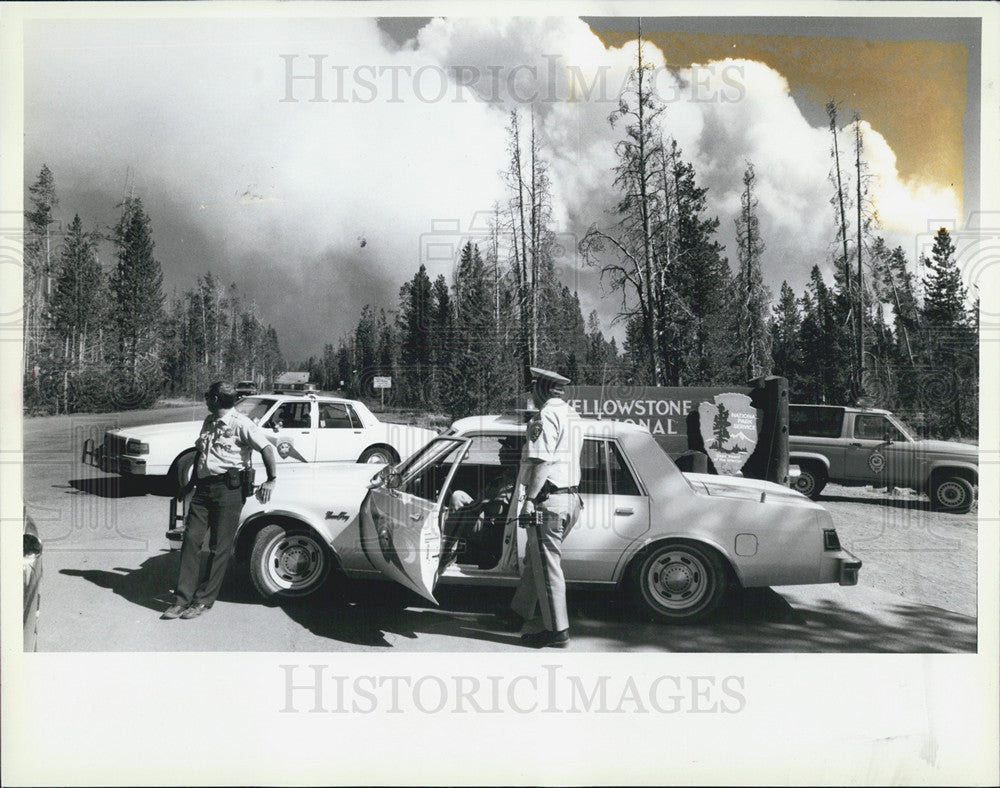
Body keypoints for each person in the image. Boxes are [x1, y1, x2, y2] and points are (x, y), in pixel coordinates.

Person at [161, 381, 279, 620]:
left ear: (215, 399)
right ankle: (182, 598)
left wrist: (271, 480)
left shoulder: (241, 424)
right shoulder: (208, 422)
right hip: (203, 489)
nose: (205, 399)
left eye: (207, 396)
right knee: (191, 540)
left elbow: (267, 448)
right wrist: (190, 485)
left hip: (229, 490)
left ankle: (203, 600)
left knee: (218, 547)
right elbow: (202, 455)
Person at [496, 367, 584, 648]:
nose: (530, 393)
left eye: (533, 388)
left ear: (541, 389)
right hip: (571, 499)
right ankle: (516, 613)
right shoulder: (572, 415)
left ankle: (557, 631)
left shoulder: (544, 416)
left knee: (547, 567)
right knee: (539, 560)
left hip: (549, 500)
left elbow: (540, 462)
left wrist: (530, 501)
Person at [442, 436, 522, 569]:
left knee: (458, 497)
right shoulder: (505, 475)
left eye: (506, 448)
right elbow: (483, 500)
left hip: (495, 535)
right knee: (451, 507)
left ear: (516, 455)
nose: (500, 451)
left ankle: (446, 551)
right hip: (487, 525)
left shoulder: (514, 481)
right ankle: (448, 546)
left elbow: (496, 511)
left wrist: (478, 505)